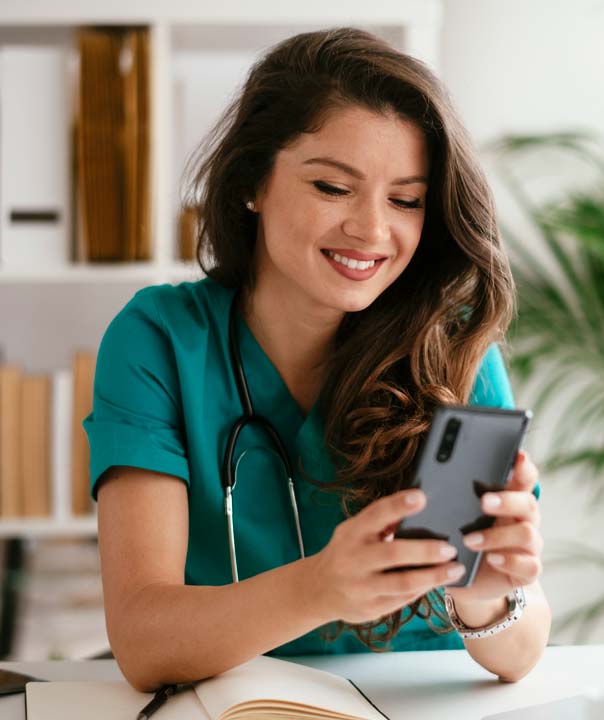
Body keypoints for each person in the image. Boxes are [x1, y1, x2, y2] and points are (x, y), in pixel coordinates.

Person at [84, 26, 551, 693]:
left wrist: (487, 598)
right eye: (332, 187)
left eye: (405, 200)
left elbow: (522, 649)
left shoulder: (453, 348)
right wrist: (321, 588)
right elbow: (143, 642)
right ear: (252, 182)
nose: (371, 229)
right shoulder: (158, 339)